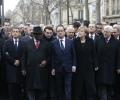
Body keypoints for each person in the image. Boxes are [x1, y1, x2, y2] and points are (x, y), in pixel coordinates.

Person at [22, 26, 50, 100]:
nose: (40, 35)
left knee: (42, 91)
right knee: (30, 90)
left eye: (41, 34)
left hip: (42, 71)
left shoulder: (46, 44)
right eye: (38, 34)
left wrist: (46, 61)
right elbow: (24, 57)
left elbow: (49, 56)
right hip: (30, 71)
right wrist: (23, 69)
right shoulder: (27, 43)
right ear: (34, 35)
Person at [51, 25, 76, 100]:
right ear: (56, 32)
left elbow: (73, 54)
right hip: (58, 69)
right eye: (58, 31)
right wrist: (53, 68)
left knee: (68, 86)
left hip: (68, 68)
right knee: (59, 88)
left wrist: (74, 65)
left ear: (64, 32)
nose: (60, 32)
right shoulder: (53, 43)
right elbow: (53, 56)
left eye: (61, 31)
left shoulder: (70, 42)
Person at [95, 25, 120, 100]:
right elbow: (95, 54)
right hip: (101, 67)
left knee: (110, 86)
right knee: (102, 86)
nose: (105, 33)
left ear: (111, 33)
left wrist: (118, 67)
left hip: (111, 67)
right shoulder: (98, 40)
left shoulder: (116, 42)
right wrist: (96, 65)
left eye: (107, 32)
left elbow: (118, 56)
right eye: (104, 31)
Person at [73, 26, 96, 100]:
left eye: (81, 31)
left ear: (85, 33)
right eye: (79, 31)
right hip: (78, 67)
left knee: (90, 86)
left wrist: (95, 64)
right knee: (79, 87)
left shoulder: (90, 41)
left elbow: (94, 54)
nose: (79, 32)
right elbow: (73, 54)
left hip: (89, 67)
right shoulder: (75, 41)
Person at [3, 27, 23, 100]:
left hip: (19, 69)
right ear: (11, 33)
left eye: (17, 31)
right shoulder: (7, 42)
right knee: (11, 90)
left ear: (19, 33)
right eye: (14, 31)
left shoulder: (22, 43)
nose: (15, 33)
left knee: (19, 90)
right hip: (10, 69)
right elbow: (5, 54)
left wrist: (19, 61)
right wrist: (13, 61)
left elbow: (24, 54)